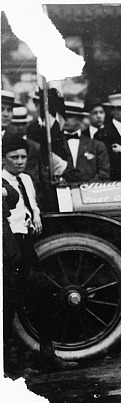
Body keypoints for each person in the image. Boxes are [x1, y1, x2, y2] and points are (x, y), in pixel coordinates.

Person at [2, 134, 78, 371]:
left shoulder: (25, 179)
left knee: (43, 295)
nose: (20, 161)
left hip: (26, 244)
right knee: (9, 303)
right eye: (14, 157)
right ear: (3, 159)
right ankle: (8, 364)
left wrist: (35, 216)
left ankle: (47, 354)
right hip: (8, 246)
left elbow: (32, 205)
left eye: (23, 157)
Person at [57, 101, 110, 183]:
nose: (64, 120)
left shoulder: (96, 145)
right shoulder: (55, 144)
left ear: (79, 119)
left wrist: (87, 188)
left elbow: (104, 174)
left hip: (90, 192)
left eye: (68, 117)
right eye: (62, 117)